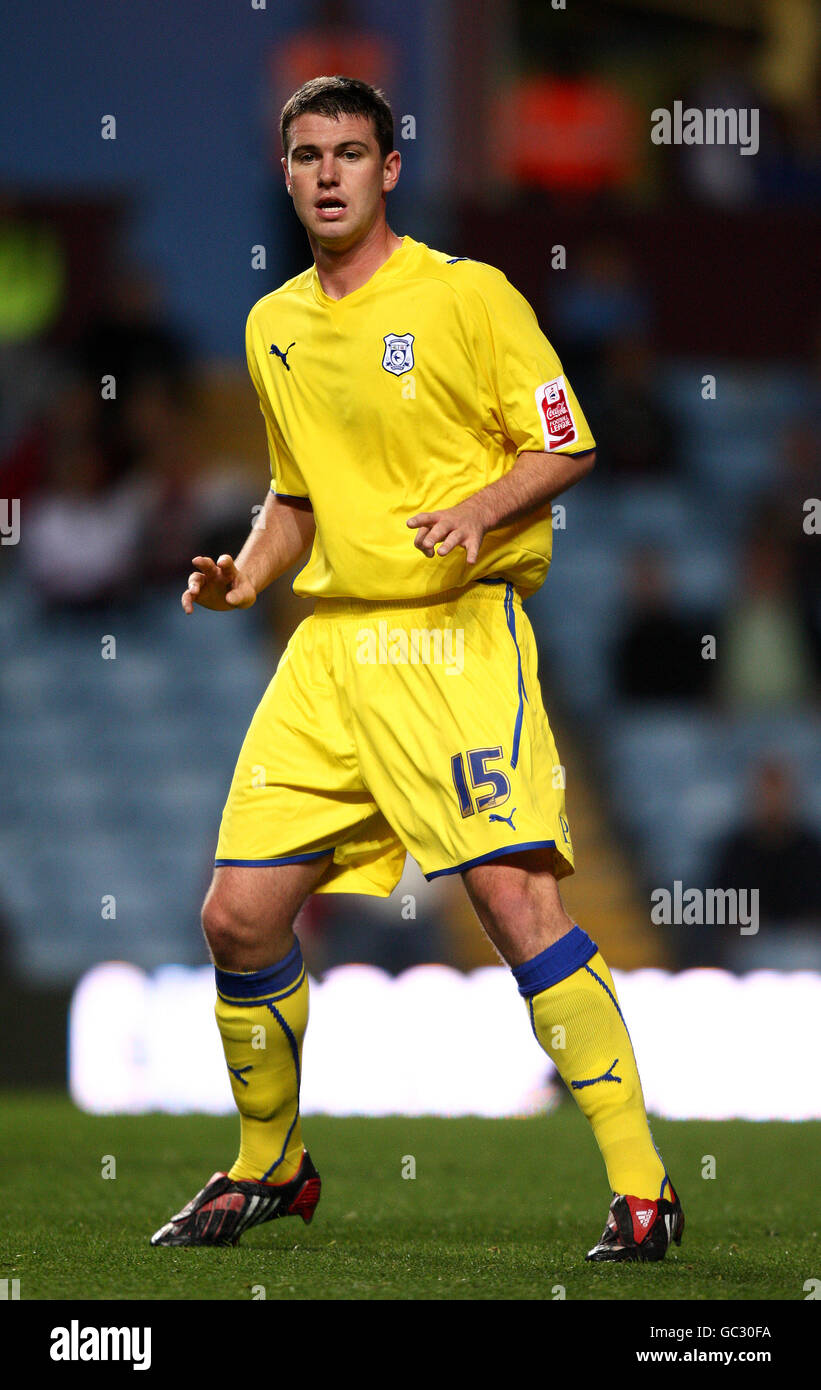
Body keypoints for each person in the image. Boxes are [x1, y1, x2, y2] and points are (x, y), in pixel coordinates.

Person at [150, 76, 683, 1263]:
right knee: (237, 917)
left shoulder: (465, 298)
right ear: (284, 175)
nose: (328, 172)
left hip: (449, 634)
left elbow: (566, 438)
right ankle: (268, 1164)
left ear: (390, 170)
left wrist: (475, 509)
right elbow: (294, 496)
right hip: (329, 652)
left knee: (514, 902)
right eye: (307, 154)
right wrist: (242, 577)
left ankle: (644, 1188)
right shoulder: (273, 325)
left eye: (351, 152)